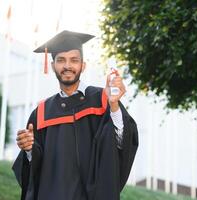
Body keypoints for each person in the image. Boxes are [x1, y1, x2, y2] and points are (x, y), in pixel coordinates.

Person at [12, 30, 138, 200]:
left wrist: (114, 105)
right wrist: (28, 149)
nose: (67, 66)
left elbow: (122, 143)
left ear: (83, 65)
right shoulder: (42, 112)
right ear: (53, 66)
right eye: (61, 60)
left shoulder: (103, 99)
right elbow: (33, 172)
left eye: (74, 60)